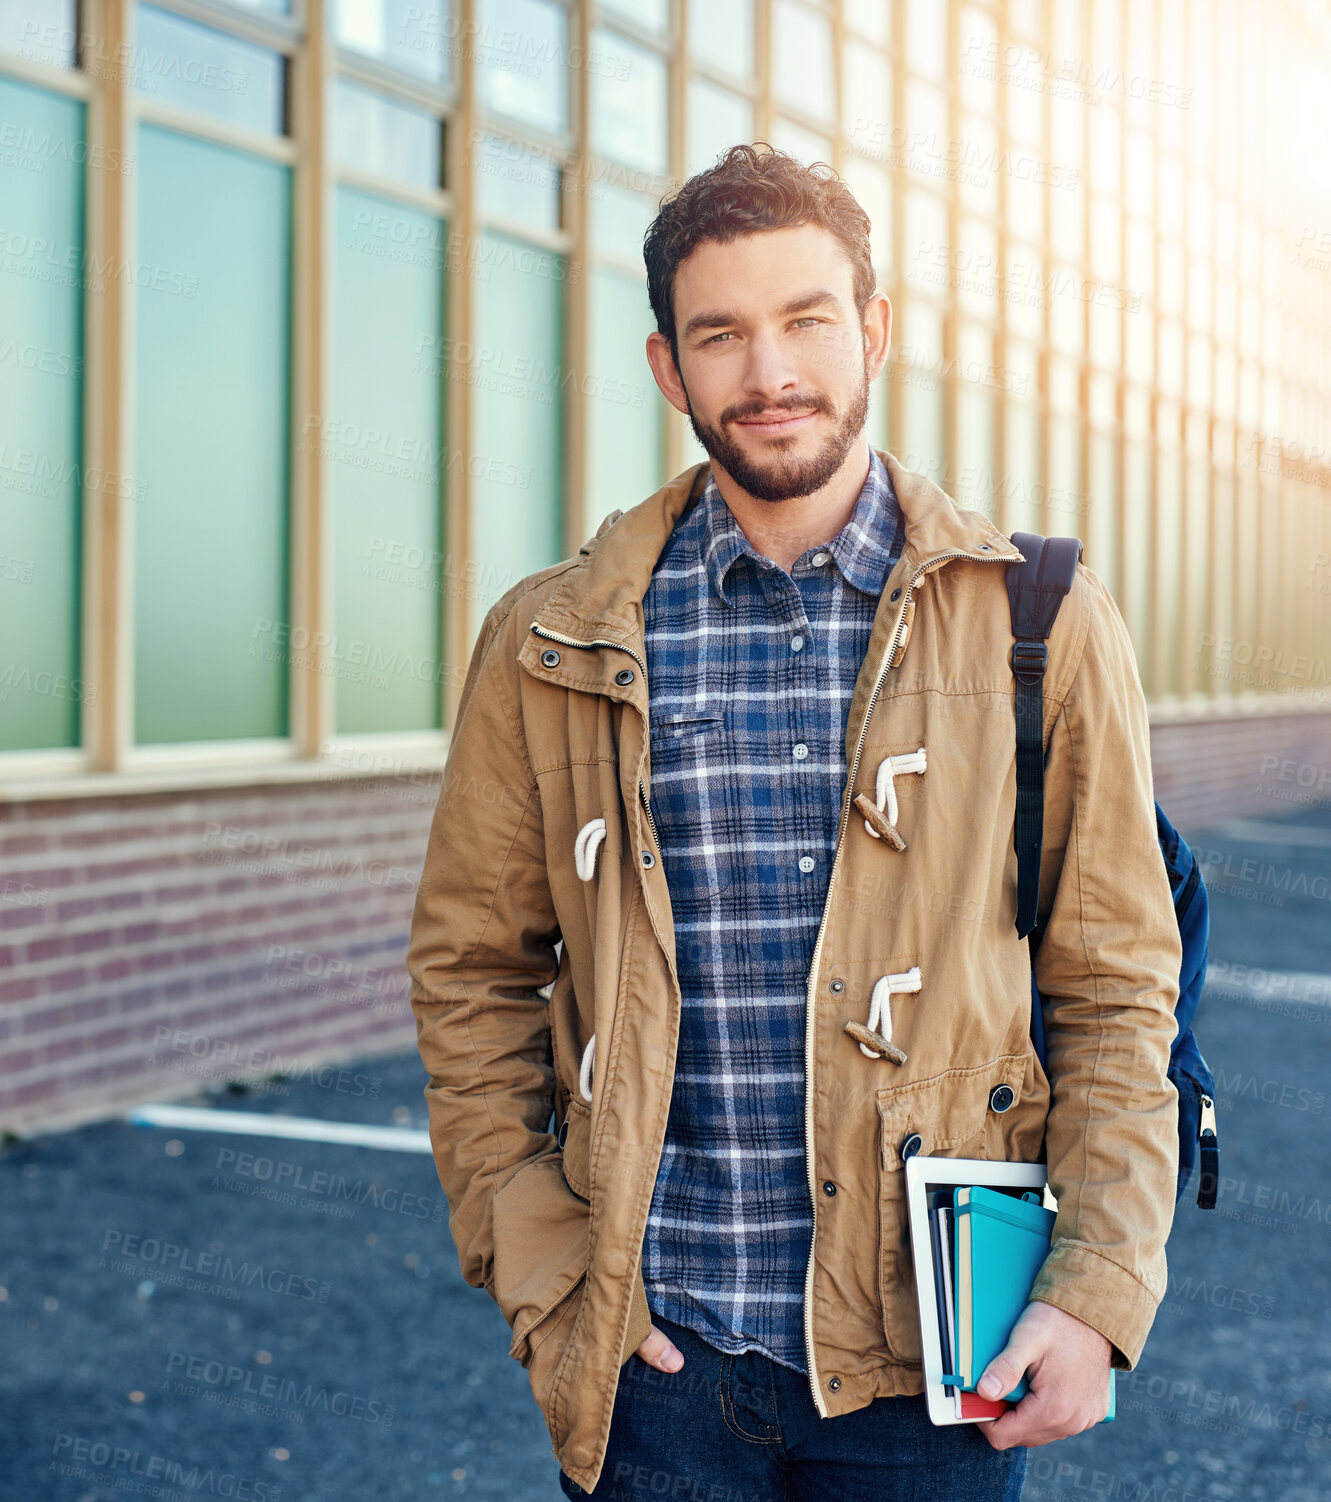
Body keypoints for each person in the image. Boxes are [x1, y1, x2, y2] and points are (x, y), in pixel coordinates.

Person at [407, 143, 1181, 1500]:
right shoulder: (550, 636)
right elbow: (470, 976)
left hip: (934, 1363)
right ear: (670, 367)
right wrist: (543, 1275)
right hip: (661, 1371)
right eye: (722, 334)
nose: (770, 372)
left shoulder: (1037, 617)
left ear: (873, 329)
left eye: (807, 319)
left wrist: (1098, 1281)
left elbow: (1117, 982)